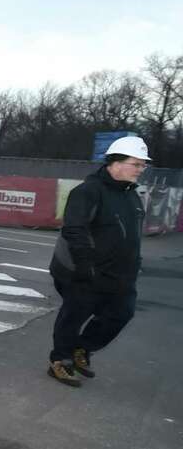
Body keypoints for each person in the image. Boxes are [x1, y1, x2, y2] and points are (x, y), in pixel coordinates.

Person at [47, 135, 150, 387]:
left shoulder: (132, 195)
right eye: (136, 164)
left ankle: (82, 348)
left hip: (122, 274)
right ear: (115, 163)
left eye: (142, 165)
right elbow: (74, 230)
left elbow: (132, 235)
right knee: (73, 316)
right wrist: (86, 267)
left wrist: (135, 263)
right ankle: (60, 361)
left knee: (121, 313)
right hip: (86, 271)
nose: (141, 169)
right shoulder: (88, 192)